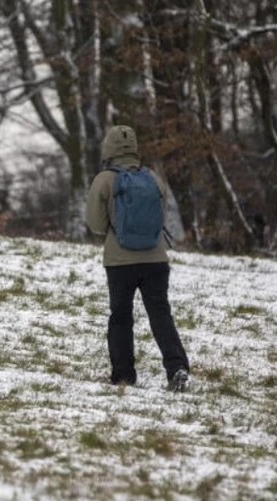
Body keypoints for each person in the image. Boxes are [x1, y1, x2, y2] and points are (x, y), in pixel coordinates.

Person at [84, 125, 190, 391]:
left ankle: (123, 376)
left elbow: (96, 225)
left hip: (120, 262)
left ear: (108, 147)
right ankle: (176, 366)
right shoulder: (153, 178)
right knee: (160, 313)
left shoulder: (104, 180)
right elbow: (160, 220)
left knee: (121, 317)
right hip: (156, 260)